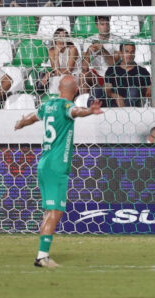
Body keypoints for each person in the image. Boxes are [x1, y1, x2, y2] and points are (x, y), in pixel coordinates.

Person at [13, 76, 103, 268]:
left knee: (50, 211)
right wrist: (89, 111)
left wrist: (20, 124)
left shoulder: (48, 105)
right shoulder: (65, 107)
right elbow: (76, 111)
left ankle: (42, 254)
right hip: (56, 166)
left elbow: (31, 118)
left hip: (44, 163)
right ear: (76, 89)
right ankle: (42, 257)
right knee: (55, 211)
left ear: (59, 87)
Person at [103, 42, 152, 107]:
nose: (129, 54)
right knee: (95, 91)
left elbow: (148, 91)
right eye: (126, 51)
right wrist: (116, 96)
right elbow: (106, 90)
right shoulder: (111, 70)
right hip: (115, 105)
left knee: (133, 90)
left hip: (134, 107)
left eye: (132, 52)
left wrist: (151, 89)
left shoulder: (142, 71)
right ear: (120, 53)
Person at [80, 16, 119, 96]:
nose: (105, 27)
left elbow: (114, 64)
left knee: (107, 89)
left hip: (112, 75)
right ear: (96, 26)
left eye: (107, 24)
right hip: (96, 75)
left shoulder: (117, 40)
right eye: (102, 24)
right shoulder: (89, 40)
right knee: (83, 75)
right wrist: (89, 51)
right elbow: (84, 67)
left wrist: (103, 50)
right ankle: (83, 102)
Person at [40, 28, 80, 93]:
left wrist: (49, 74)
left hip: (73, 75)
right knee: (55, 81)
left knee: (59, 80)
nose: (63, 39)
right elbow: (56, 70)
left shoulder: (72, 49)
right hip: (59, 75)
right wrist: (57, 54)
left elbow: (69, 70)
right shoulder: (51, 51)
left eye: (65, 37)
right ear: (55, 39)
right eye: (60, 37)